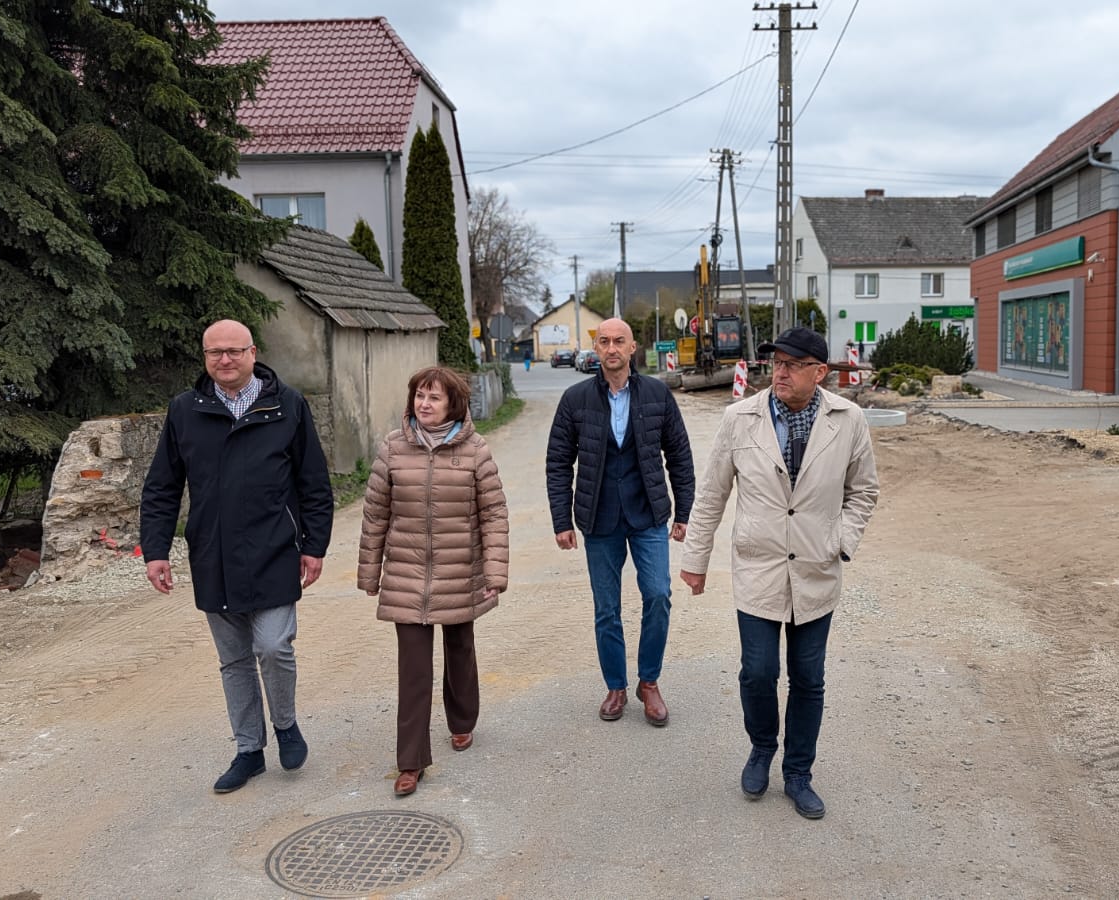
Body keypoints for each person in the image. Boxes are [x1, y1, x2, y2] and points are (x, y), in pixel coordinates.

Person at [679, 327, 879, 820]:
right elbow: (711, 495)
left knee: (809, 678)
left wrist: (841, 543)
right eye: (776, 363)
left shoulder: (849, 420)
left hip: (816, 569)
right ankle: (762, 747)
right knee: (759, 671)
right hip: (758, 569)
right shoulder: (739, 418)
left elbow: (864, 492)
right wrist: (695, 562)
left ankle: (798, 773)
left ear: (820, 372)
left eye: (793, 364)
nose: (780, 372)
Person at [141, 320, 334, 794]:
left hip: (274, 549)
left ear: (252, 353)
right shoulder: (185, 411)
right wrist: (156, 550)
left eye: (233, 351)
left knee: (272, 646)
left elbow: (314, 483)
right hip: (213, 554)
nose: (223, 361)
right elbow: (162, 487)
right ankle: (249, 750)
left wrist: (314, 545)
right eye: (214, 353)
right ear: (204, 358)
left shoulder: (286, 405)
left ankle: (285, 725)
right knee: (234, 661)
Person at [358, 366, 509, 797]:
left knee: (460, 648)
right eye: (419, 396)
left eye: (434, 398)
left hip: (460, 569)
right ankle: (411, 761)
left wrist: (495, 573)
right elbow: (375, 515)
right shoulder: (392, 447)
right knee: (414, 669)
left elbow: (494, 515)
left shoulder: (475, 451)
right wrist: (370, 573)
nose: (424, 404)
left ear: (453, 405)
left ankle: (462, 721)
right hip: (407, 574)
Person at [546, 318, 695, 725]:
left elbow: (679, 456)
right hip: (599, 519)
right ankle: (616, 686)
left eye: (619, 342)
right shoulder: (575, 400)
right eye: (604, 341)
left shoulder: (657, 394)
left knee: (658, 595)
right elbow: (559, 464)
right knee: (606, 609)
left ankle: (649, 681)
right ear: (596, 349)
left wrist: (684, 512)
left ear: (633, 349)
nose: (611, 348)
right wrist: (562, 520)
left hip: (647, 514)